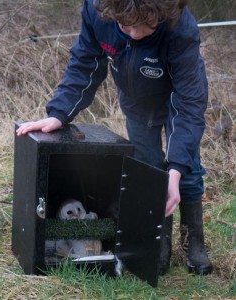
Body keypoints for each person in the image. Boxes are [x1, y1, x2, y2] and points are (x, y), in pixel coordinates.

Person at [16, 0, 213, 276]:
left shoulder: (180, 27)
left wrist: (177, 170)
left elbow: (189, 104)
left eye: (145, 27)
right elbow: (84, 61)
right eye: (126, 26)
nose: (134, 34)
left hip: (180, 96)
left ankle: (194, 243)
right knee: (149, 167)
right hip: (137, 102)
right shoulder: (97, 12)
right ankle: (159, 244)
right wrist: (59, 113)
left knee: (185, 168)